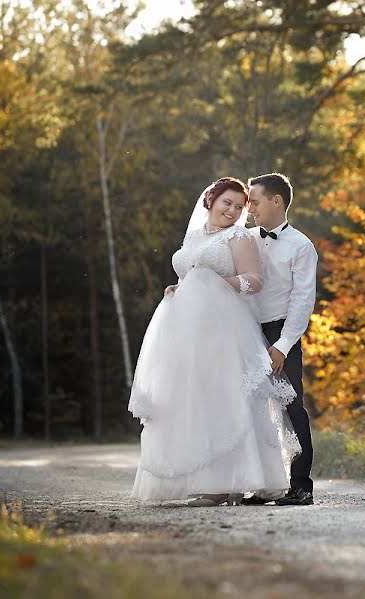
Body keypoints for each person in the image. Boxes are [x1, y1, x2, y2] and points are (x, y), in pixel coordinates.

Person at [128, 177, 300, 506]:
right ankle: (200, 478)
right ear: (211, 200)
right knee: (193, 399)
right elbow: (190, 276)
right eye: (227, 203)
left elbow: (255, 280)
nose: (233, 211)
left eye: (239, 207)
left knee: (224, 398)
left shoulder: (237, 237)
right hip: (188, 330)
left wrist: (220, 283)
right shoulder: (193, 237)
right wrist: (180, 288)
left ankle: (224, 484)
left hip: (224, 329)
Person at [242, 173, 317, 506]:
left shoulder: (301, 246)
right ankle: (262, 484)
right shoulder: (244, 239)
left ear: (277, 201)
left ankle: (300, 485)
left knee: (291, 407)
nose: (250, 208)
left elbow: (302, 301)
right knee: (250, 409)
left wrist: (282, 346)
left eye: (255, 201)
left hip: (279, 333)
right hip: (243, 330)